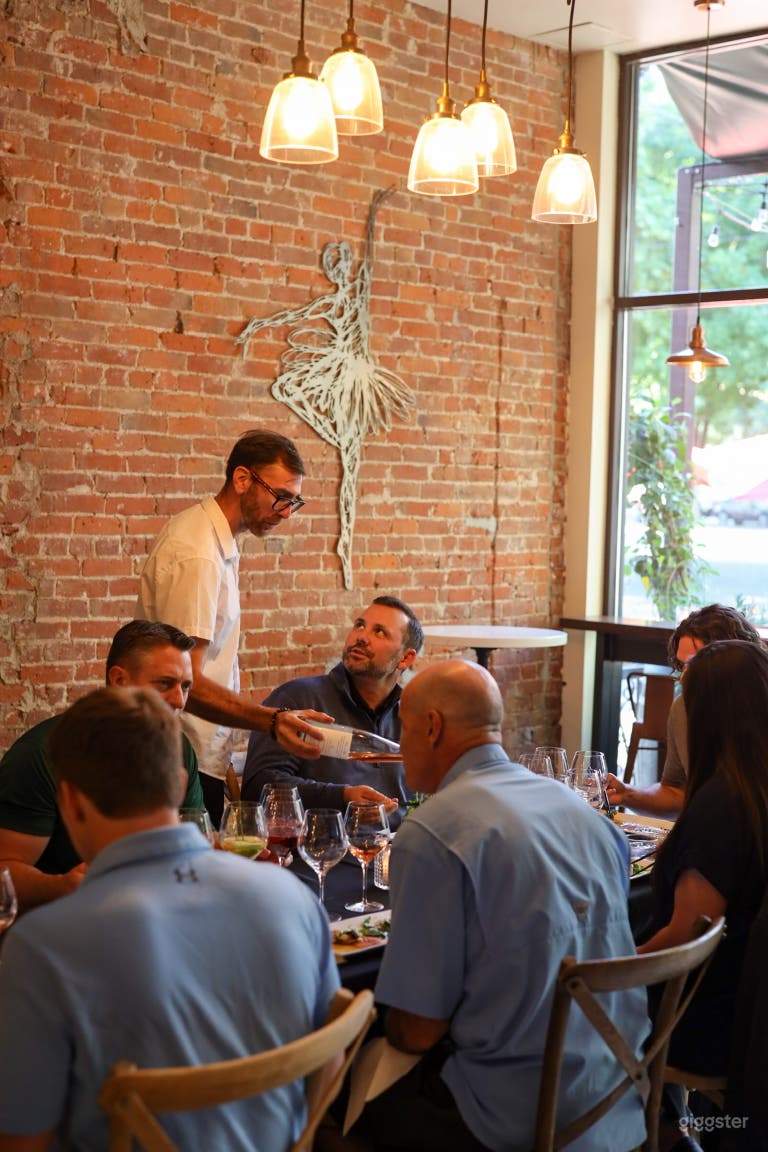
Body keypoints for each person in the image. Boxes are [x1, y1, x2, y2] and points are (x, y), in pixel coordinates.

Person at [0, 686, 340, 1151]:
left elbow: (23, 1143)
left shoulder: (43, 947)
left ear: (70, 802)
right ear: (180, 785)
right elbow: (330, 1064)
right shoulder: (293, 899)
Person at [348, 659, 648, 1152]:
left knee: (323, 1087)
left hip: (512, 1120)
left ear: (431, 726)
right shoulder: (587, 815)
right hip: (616, 1098)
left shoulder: (432, 832)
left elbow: (419, 1031)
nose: (401, 746)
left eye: (402, 727)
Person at [135, 429, 327, 825]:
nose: (287, 513)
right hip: (178, 757)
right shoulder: (198, 554)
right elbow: (184, 684)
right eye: (281, 497)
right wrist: (271, 722)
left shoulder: (213, 540)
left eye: (295, 502)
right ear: (242, 480)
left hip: (198, 752)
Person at [0, 620, 205, 911]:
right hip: (63, 923)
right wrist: (63, 886)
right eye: (164, 684)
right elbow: (4, 871)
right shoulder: (40, 755)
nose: (179, 700)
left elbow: (198, 838)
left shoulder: (178, 747)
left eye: (186, 686)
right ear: (119, 680)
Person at [638, 641, 768, 1077]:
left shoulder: (720, 805)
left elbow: (686, 937)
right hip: (747, 1005)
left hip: (704, 1018)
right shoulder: (755, 785)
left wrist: (605, 967)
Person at [241, 596, 423, 825]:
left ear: (406, 658)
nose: (361, 637)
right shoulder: (298, 698)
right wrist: (341, 797)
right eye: (359, 625)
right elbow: (258, 787)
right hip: (319, 853)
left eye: (379, 632)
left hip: (398, 853)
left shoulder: (414, 714)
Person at [605, 604, 763, 818]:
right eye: (682, 665)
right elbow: (676, 791)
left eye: (695, 664)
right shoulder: (683, 709)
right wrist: (627, 794)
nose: (684, 677)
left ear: (734, 660)